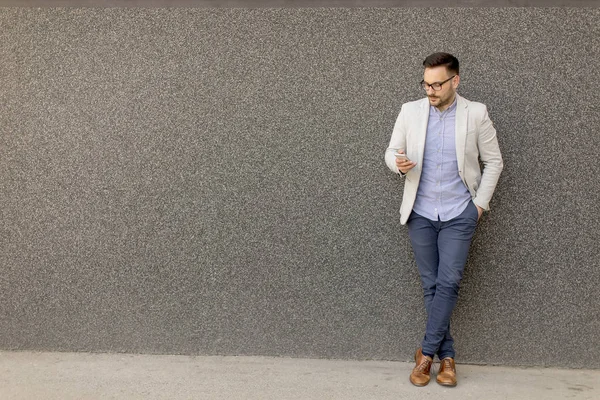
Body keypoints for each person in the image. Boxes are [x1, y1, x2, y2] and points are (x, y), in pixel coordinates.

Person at [384, 52, 503, 387]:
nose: (430, 90)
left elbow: (494, 162)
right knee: (432, 285)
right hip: (420, 213)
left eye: (437, 84)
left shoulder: (476, 113)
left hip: (458, 214)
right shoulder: (410, 111)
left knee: (449, 282)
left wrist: (478, 206)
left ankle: (426, 356)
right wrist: (399, 163)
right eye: (426, 83)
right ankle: (447, 357)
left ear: (455, 80)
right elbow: (391, 151)